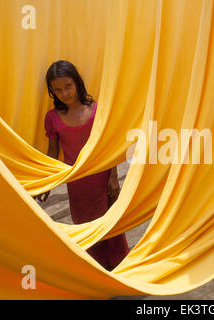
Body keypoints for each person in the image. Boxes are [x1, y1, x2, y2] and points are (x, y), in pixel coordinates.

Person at [36, 60, 129, 271]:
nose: (65, 93)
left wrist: (113, 177)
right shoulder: (52, 118)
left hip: (102, 177)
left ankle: (120, 268)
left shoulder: (96, 110)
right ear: (52, 92)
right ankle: (95, 271)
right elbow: (53, 152)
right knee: (86, 225)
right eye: (57, 89)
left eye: (68, 86)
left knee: (110, 224)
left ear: (77, 82)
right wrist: (46, 182)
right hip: (77, 184)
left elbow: (108, 146)